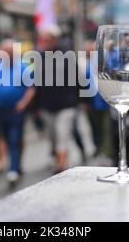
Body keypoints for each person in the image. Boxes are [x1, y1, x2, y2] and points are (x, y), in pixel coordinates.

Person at [0, 40, 36, 188]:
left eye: (11, 51)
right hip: (0, 111)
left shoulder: (23, 67)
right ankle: (13, 164)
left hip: (16, 111)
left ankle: (13, 169)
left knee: (14, 138)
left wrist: (23, 103)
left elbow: (31, 88)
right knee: (3, 138)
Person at [35, 26, 82, 173]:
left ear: (55, 40)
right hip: (47, 105)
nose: (46, 42)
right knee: (53, 136)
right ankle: (58, 160)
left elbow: (78, 79)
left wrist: (81, 100)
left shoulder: (67, 56)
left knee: (62, 133)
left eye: (49, 39)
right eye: (45, 40)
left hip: (66, 104)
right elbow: (35, 81)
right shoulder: (40, 57)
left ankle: (62, 165)